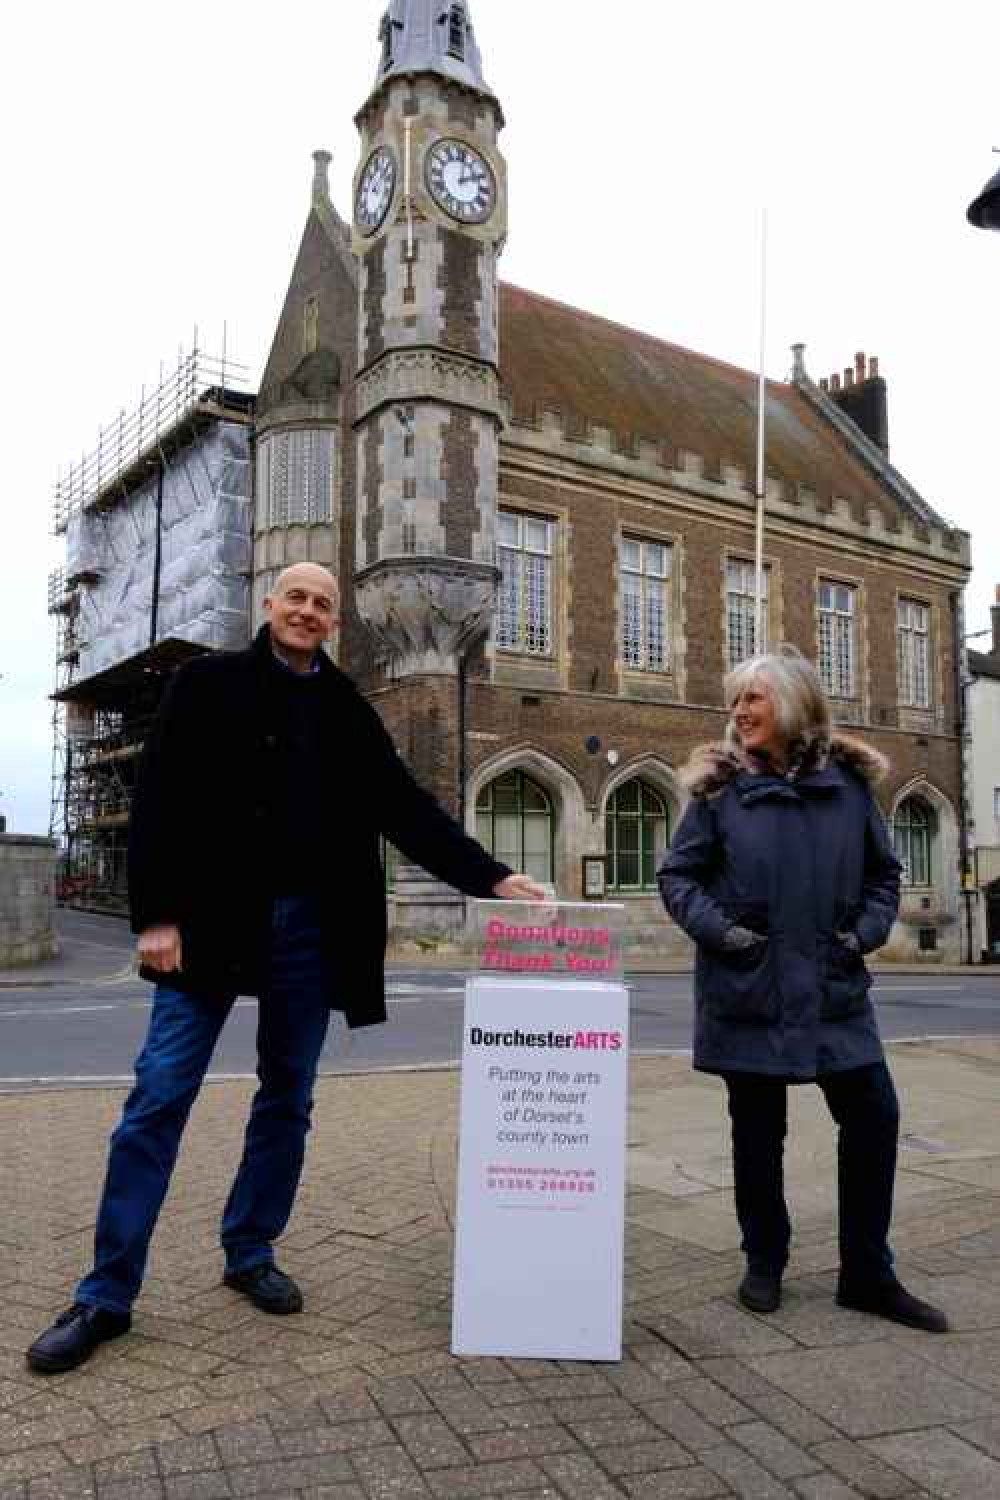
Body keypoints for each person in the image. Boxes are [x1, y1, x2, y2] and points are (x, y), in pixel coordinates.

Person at [28, 563, 544, 1374]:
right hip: (205, 923)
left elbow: (407, 810)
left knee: (287, 1100)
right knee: (157, 1100)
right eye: (296, 597)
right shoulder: (204, 685)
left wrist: (491, 877)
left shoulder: (348, 711)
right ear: (269, 605)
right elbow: (158, 797)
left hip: (311, 931)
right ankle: (105, 1293)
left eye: (323, 604)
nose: (308, 611)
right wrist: (156, 915)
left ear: (336, 623)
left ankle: (249, 1250)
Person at [658, 647, 947, 1332]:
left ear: (792, 705)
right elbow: (678, 878)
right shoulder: (719, 791)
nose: (739, 712)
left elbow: (884, 876)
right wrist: (725, 934)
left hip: (833, 989)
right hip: (751, 988)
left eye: (752, 698)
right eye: (735, 701)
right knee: (758, 1133)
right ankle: (764, 1261)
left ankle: (867, 1274)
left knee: (874, 1115)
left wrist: (864, 934)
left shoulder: (849, 788)